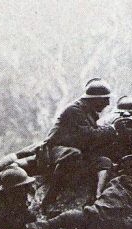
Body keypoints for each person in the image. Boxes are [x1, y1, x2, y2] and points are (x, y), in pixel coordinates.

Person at [41, 78, 118, 209]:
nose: (107, 103)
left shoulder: (88, 112)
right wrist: (111, 128)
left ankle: (98, 196)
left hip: (75, 151)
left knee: (104, 162)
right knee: (73, 154)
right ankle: (50, 197)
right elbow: (89, 136)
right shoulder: (74, 110)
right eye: (105, 99)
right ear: (95, 99)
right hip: (53, 151)